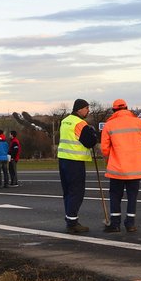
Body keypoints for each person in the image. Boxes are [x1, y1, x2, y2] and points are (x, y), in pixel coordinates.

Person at [100, 99, 141, 232]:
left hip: (117, 169)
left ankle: (115, 224)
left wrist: (109, 160)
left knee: (115, 196)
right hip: (135, 168)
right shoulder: (137, 122)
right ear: (127, 108)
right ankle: (130, 223)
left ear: (114, 110)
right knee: (132, 196)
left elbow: (104, 149)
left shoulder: (109, 125)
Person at [57, 98, 99, 234]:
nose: (88, 111)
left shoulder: (65, 121)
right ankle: (72, 222)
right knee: (77, 192)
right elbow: (89, 142)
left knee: (68, 192)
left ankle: (70, 218)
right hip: (75, 161)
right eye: (86, 108)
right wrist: (93, 134)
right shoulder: (80, 123)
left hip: (63, 160)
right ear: (79, 109)